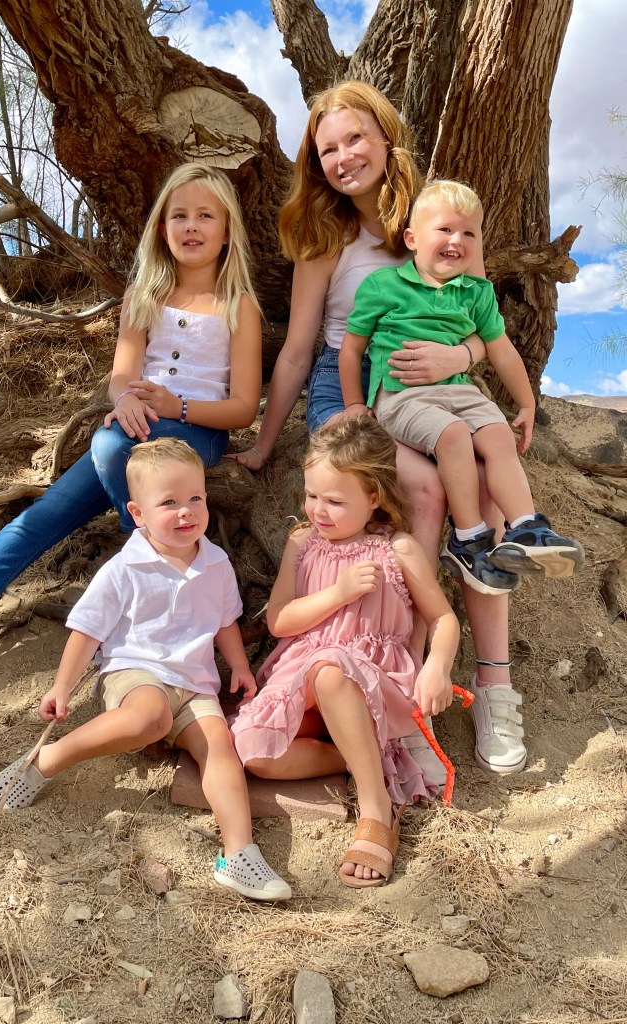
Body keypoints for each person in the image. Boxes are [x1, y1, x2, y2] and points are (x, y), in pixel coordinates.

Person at [0, 163, 261, 707]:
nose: (192, 226)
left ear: (227, 229)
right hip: (135, 430)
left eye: (205, 216)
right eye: (179, 215)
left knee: (109, 445)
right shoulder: (144, 295)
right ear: (161, 228)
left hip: (197, 434)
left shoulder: (238, 306)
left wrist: (178, 406)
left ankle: (148, 574)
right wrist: (125, 400)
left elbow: (242, 408)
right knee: (40, 518)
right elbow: (122, 377)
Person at [227, 81, 527, 776]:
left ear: (387, 138)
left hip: (436, 379)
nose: (343, 157)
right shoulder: (324, 236)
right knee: (423, 490)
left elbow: (482, 322)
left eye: (355, 138)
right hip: (349, 385)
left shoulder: (441, 216)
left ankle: (494, 683)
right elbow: (298, 349)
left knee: (485, 488)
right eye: (327, 149)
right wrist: (267, 442)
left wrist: (461, 357)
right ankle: (406, 688)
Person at [0, 438, 291, 902]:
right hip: (135, 672)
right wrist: (62, 686)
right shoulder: (124, 568)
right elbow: (87, 631)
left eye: (196, 498)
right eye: (169, 502)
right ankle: (43, 761)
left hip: (195, 684)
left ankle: (238, 853)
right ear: (138, 513)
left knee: (219, 749)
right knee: (150, 716)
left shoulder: (216, 562)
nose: (186, 511)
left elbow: (225, 622)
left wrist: (239, 667)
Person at [231, 417, 459, 888]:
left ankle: (377, 809)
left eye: (335, 501)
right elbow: (279, 621)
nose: (319, 510)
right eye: (312, 495)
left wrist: (437, 666)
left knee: (331, 668)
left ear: (374, 496)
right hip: (301, 676)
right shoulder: (302, 542)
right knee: (254, 753)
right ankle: (364, 758)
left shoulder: (397, 549)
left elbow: (443, 618)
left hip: (370, 679)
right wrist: (338, 593)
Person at [339, 179, 585, 596]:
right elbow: (351, 349)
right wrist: (353, 404)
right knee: (453, 435)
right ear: (412, 239)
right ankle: (468, 540)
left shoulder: (477, 293)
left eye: (469, 233)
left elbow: (502, 351)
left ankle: (525, 528)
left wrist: (526, 404)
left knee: (498, 435)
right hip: (401, 395)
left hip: (460, 392)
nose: (457, 240)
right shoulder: (383, 286)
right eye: (445, 230)